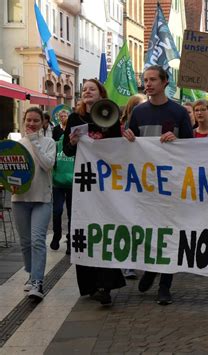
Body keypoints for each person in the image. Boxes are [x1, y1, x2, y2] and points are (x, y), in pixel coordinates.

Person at [123, 65, 193, 305]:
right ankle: (151, 268)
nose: (148, 84)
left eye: (153, 79)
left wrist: (178, 141)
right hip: (145, 185)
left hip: (171, 185)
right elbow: (129, 145)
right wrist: (128, 137)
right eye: (146, 80)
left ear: (165, 82)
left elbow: (191, 148)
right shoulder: (139, 113)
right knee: (148, 232)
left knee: (169, 234)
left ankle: (165, 285)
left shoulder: (178, 112)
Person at [63, 78, 126, 306]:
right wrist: (71, 141)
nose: (87, 91)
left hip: (106, 184)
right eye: (85, 89)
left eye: (92, 89)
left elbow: (118, 146)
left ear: (101, 94)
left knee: (104, 228)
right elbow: (68, 151)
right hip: (84, 184)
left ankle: (105, 286)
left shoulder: (110, 115)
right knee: (85, 229)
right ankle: (90, 284)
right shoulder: (74, 118)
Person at [12, 107, 56, 301]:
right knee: (25, 242)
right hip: (20, 199)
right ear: (24, 121)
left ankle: (38, 282)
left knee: (38, 240)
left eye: (35, 121)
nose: (31, 124)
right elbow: (11, 171)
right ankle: (31, 274)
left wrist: (35, 142)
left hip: (42, 199)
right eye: (28, 120)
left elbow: (47, 164)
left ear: (42, 123)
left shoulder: (49, 143)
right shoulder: (17, 144)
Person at [118, 94, 146, 279]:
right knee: (128, 222)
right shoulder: (120, 128)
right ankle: (128, 263)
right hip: (125, 181)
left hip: (145, 179)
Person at [50, 110, 74, 255]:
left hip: (73, 183)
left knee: (72, 213)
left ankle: (71, 241)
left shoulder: (77, 145)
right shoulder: (56, 144)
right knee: (57, 210)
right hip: (58, 183)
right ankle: (57, 234)